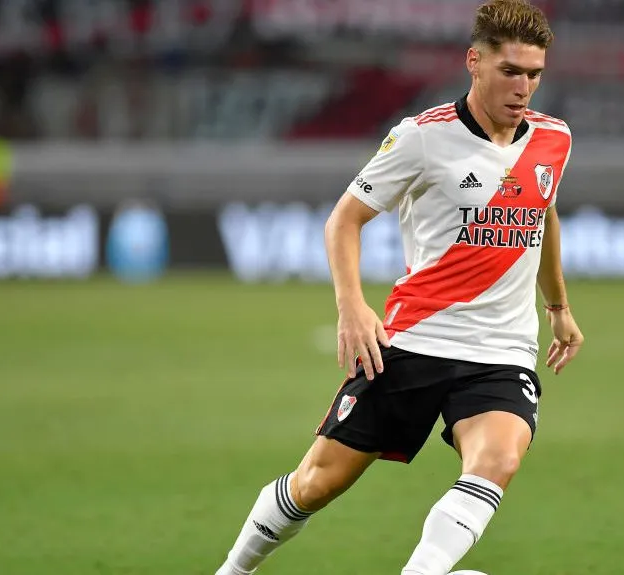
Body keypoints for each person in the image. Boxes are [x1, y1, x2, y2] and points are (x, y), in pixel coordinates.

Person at [213, 1, 584, 574]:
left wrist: (557, 305)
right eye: (511, 71)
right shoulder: (420, 138)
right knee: (316, 483)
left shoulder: (553, 139)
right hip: (414, 342)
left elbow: (545, 214)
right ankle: (233, 570)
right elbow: (344, 220)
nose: (524, 87)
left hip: (501, 351)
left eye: (534, 74)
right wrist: (352, 307)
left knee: (496, 461)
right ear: (474, 62)